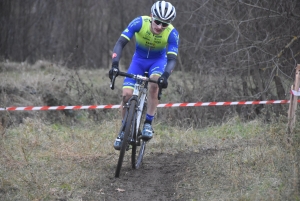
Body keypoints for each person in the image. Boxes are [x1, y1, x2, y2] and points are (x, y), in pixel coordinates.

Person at [109, 1, 179, 150]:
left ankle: (148, 123)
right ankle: (124, 130)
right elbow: (120, 43)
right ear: (152, 16)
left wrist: (165, 76)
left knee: (154, 85)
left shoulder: (172, 33)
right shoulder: (139, 22)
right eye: (158, 21)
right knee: (126, 95)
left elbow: (172, 59)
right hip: (138, 61)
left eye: (165, 24)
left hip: (158, 62)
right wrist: (115, 65)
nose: (160, 27)